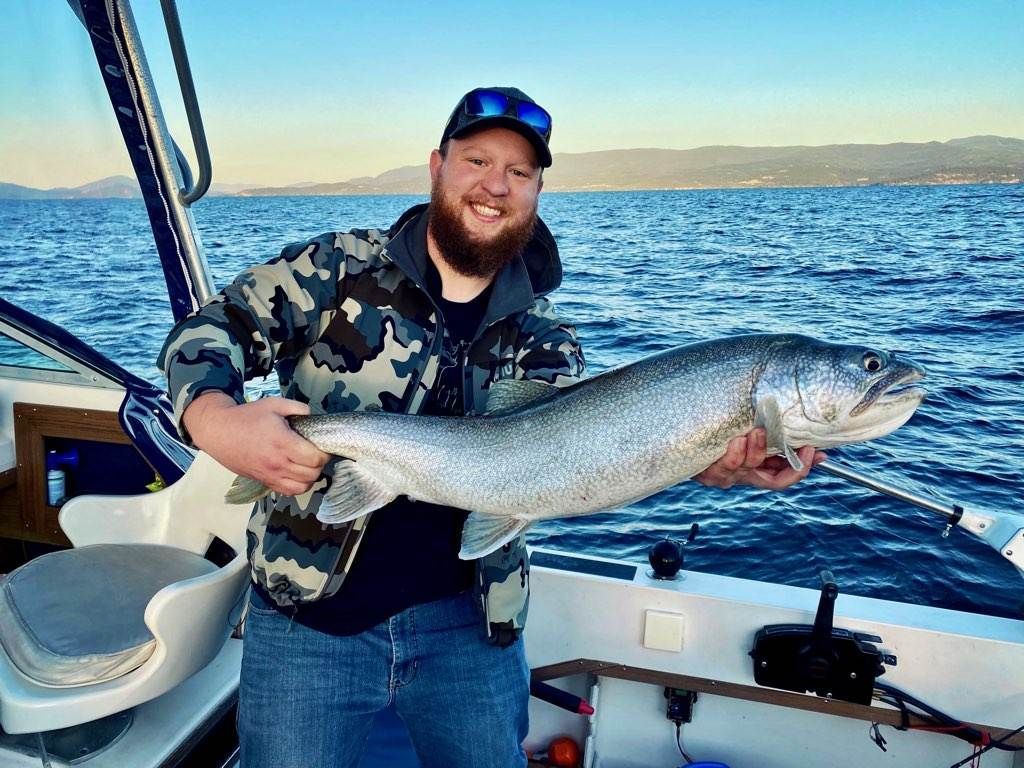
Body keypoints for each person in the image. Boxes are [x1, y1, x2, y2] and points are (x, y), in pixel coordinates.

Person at [158, 86, 822, 768]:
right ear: (437, 165)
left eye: (519, 172)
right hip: (306, 620)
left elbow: (594, 452)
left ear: (537, 190)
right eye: (476, 160)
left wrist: (709, 457)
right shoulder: (338, 269)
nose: (494, 186)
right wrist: (218, 422)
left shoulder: (546, 338)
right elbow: (209, 330)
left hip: (471, 627)